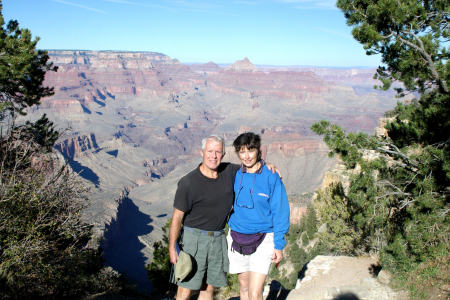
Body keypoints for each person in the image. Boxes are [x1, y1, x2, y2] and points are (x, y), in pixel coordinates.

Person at [168, 135, 279, 300]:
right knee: (185, 289)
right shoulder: (188, 183)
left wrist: (267, 165)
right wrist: (172, 246)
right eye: (210, 151)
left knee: (208, 289)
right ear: (202, 152)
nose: (213, 156)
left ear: (223, 155)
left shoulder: (229, 171)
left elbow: (251, 165)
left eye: (218, 152)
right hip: (194, 240)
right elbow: (177, 217)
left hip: (218, 239)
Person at [227, 132, 290, 300]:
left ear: (258, 151)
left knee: (255, 292)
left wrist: (279, 244)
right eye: (242, 151)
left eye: (250, 150)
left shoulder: (271, 176)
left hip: (263, 238)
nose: (246, 156)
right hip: (237, 238)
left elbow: (281, 211)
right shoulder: (235, 174)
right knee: (244, 288)